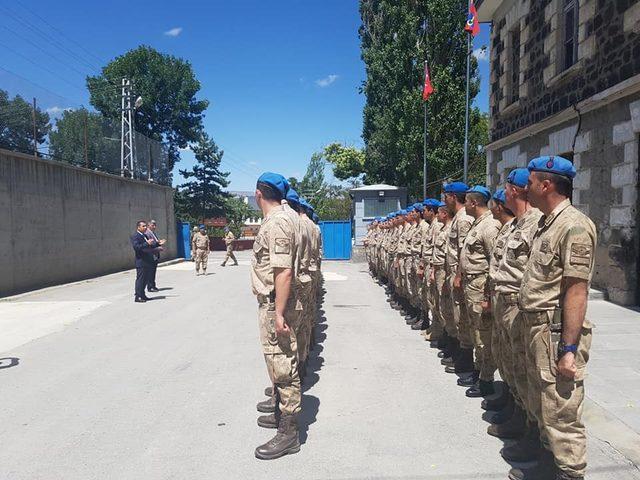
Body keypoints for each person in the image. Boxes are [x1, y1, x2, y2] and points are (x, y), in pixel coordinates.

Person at [508, 156, 596, 480]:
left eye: (530, 182)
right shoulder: (547, 223)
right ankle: (547, 466)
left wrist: (568, 350)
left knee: (562, 413)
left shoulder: (574, 225)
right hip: (537, 329)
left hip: (555, 332)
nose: (525, 187)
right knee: (543, 404)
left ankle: (570, 474)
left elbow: (576, 290)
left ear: (545, 185)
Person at [251, 172, 302, 460]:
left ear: (259, 194)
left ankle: (289, 433)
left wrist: (279, 312)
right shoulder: (284, 217)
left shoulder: (279, 222)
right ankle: (279, 412)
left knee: (283, 366)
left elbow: (283, 271)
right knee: (277, 362)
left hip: (275, 304)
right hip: (274, 303)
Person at [458, 185, 501, 397]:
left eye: (465, 201)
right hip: (471, 285)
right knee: (476, 333)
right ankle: (478, 372)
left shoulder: (490, 227)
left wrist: (488, 296)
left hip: (481, 285)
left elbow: (496, 262)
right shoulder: (478, 224)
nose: (463, 205)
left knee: (484, 335)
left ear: (474, 203)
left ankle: (486, 380)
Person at [442, 182, 475, 376]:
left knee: (464, 318)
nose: (444, 200)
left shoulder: (463, 219)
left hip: (460, 275)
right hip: (454, 273)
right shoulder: (458, 218)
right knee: (457, 316)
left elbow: (464, 251)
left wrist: (458, 275)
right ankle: (461, 355)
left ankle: (467, 361)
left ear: (453, 196)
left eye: (445, 196)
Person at [130, 220, 163, 303]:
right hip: (141, 261)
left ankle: (143, 294)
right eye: (143, 226)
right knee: (140, 279)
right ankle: (138, 296)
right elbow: (137, 247)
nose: (145, 227)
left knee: (145, 279)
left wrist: (158, 243)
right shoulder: (136, 236)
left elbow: (150, 246)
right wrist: (147, 243)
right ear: (138, 227)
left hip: (147, 261)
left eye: (145, 226)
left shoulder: (144, 235)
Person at [144, 219, 166, 292]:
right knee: (150, 271)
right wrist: (157, 247)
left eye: (155, 225)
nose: (154, 226)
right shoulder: (147, 233)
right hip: (151, 255)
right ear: (148, 225)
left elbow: (155, 242)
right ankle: (150, 286)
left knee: (153, 271)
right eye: (153, 225)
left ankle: (153, 285)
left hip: (155, 255)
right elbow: (149, 245)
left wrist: (159, 243)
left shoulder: (152, 233)